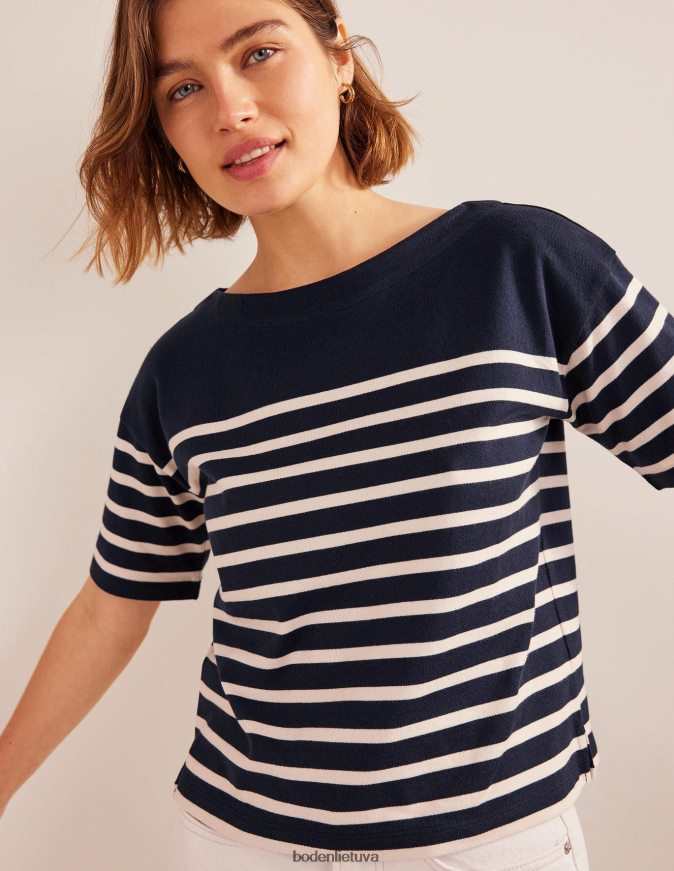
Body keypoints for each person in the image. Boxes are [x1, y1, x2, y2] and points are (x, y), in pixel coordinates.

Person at [1, 0, 672, 869]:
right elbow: (111, 603)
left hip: (487, 844)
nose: (230, 108)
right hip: (239, 841)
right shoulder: (181, 372)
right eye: (183, 89)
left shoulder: (516, 266)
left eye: (259, 53)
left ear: (340, 58)